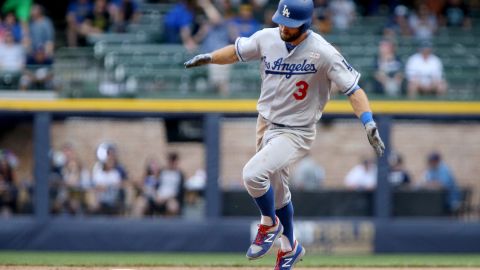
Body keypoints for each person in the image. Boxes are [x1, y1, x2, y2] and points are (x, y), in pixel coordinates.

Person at [184, 0, 385, 268]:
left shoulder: (323, 52)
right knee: (278, 193)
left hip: (296, 131)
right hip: (265, 122)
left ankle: (269, 224)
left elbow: (353, 89)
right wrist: (210, 57)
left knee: (253, 175)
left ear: (304, 25)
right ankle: (289, 248)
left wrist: (368, 122)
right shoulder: (268, 37)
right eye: (281, 20)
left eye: (289, 24)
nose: (282, 26)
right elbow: (235, 51)